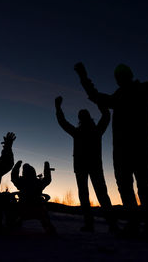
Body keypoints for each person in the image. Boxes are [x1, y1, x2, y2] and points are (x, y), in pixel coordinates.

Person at [74, 27, 148, 240]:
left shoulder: (137, 92)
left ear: (125, 77)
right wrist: (83, 77)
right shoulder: (121, 97)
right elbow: (95, 96)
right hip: (125, 152)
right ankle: (138, 225)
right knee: (129, 188)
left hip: (135, 149)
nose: (120, 79)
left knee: (141, 188)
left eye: (121, 76)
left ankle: (147, 227)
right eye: (119, 77)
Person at [55, 96, 116, 232]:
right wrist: (100, 103)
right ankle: (109, 224)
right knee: (98, 195)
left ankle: (100, 224)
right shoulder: (95, 131)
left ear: (81, 119)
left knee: (91, 195)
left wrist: (58, 108)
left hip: (85, 167)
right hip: (89, 167)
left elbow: (63, 122)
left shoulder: (82, 132)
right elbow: (106, 116)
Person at [11, 160, 56, 234]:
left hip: (22, 209)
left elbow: (14, 177)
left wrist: (17, 166)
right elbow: (47, 179)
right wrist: (47, 168)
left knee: (12, 209)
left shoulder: (21, 182)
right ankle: (49, 228)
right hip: (38, 209)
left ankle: (13, 225)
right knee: (43, 214)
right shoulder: (39, 183)